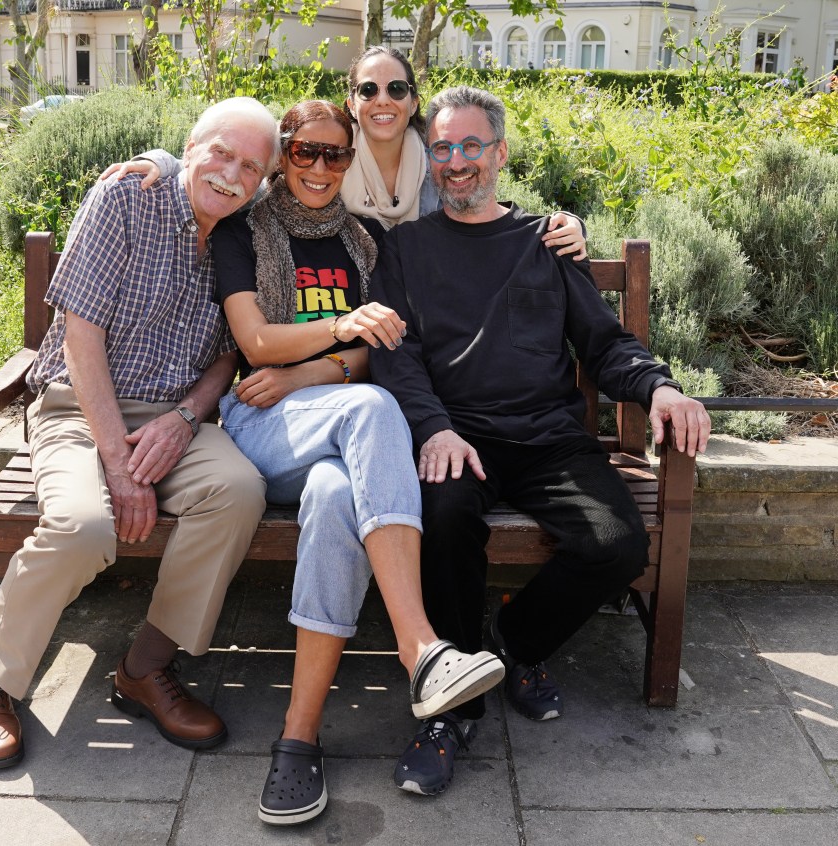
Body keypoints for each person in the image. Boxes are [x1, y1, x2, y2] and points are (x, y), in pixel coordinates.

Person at [368, 85, 712, 798]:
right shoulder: (403, 250)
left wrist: (661, 388)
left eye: (470, 146)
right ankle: (451, 703)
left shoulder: (547, 241)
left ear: (498, 153)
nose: (456, 161)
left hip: (551, 439)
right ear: (429, 157)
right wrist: (433, 427)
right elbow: (394, 356)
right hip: (458, 437)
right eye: (442, 147)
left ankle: (516, 642)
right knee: (446, 514)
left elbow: (603, 342)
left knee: (616, 543)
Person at [0, 98, 280, 771]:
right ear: (190, 144)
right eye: (220, 151)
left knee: (239, 489)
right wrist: (117, 459)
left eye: (250, 166)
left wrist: (187, 416)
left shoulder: (240, 236)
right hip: (80, 406)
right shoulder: (129, 197)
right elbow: (81, 336)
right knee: (83, 527)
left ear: (261, 183)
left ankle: (144, 669)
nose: (229, 173)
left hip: (174, 416)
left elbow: (228, 353)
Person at [211, 99, 504, 825]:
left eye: (334, 155)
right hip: (263, 423)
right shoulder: (244, 232)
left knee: (339, 496)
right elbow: (254, 342)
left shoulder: (366, 241)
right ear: (283, 154)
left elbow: (385, 344)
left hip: (329, 418)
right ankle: (423, 650)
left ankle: (298, 740)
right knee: (375, 410)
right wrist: (339, 333)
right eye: (305, 152)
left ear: (351, 162)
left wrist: (315, 371)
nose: (318, 167)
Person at [102, 47, 588, 258]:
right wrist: (164, 162)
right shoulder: (325, 152)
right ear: (351, 101)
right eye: (369, 89)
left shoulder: (437, 162)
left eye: (396, 88)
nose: (383, 99)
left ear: (413, 100)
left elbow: (484, 198)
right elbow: (242, 159)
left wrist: (567, 221)